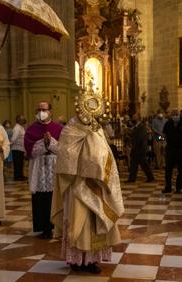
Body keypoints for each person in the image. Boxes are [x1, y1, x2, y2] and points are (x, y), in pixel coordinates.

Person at [51, 92, 124, 274]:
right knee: (79, 223)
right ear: (80, 109)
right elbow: (65, 154)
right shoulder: (71, 129)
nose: (90, 116)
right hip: (77, 185)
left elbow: (106, 154)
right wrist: (86, 164)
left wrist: (100, 168)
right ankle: (76, 260)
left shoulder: (97, 129)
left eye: (93, 112)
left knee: (94, 222)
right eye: (87, 110)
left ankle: (92, 260)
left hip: (97, 185)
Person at [24, 101, 63, 239]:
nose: (41, 112)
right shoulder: (31, 129)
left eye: (44, 109)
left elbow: (63, 149)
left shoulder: (58, 128)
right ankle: (43, 227)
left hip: (54, 165)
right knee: (41, 197)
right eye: (39, 109)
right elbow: (29, 150)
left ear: (50, 111)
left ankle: (56, 226)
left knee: (54, 196)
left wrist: (51, 141)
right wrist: (43, 142)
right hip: (39, 166)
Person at [162, 109, 182, 193]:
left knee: (181, 170)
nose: (175, 116)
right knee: (168, 169)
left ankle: (178, 188)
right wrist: (162, 140)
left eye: (176, 114)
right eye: (173, 114)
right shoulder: (168, 123)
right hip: (170, 149)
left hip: (181, 149)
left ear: (179, 115)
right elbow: (164, 135)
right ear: (171, 115)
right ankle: (168, 187)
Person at [125, 113, 155, 183]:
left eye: (134, 117)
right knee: (133, 164)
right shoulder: (135, 127)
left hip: (140, 148)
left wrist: (130, 134)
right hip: (135, 148)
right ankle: (132, 178)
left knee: (144, 164)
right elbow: (134, 135)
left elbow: (139, 137)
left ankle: (151, 177)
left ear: (138, 118)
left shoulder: (142, 127)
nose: (133, 119)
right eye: (133, 117)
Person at [11, 114, 27, 181]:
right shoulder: (17, 128)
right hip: (17, 149)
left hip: (21, 149)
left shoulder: (21, 127)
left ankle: (21, 175)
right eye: (22, 119)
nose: (24, 120)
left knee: (20, 164)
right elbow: (13, 139)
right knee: (17, 164)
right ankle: (17, 177)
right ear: (19, 120)